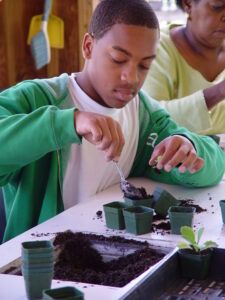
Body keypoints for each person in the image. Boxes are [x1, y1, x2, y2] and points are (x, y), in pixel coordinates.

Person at [0, 0, 224, 243]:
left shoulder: (143, 114)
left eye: (145, 65)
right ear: (88, 47)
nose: (131, 77)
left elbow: (214, 164)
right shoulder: (35, 98)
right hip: (35, 264)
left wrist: (188, 147)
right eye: (118, 59)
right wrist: (68, 123)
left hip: (107, 260)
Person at [143, 0, 225, 135]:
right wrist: (219, 92)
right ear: (188, 4)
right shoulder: (155, 49)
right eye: (217, 7)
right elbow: (150, 120)